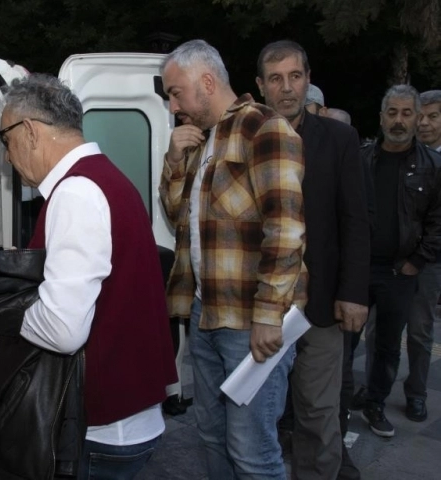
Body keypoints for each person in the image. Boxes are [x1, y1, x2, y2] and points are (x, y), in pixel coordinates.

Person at [0, 74, 177, 479]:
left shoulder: (75, 192)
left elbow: (62, 330)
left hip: (101, 429)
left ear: (28, 131)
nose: (6, 156)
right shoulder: (105, 178)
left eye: (4, 140)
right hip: (129, 417)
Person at [160, 39, 307, 479]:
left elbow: (286, 230)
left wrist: (268, 315)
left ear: (207, 82)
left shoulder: (265, 128)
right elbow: (175, 218)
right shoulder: (205, 142)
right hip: (206, 315)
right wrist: (173, 159)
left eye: (175, 92)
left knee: (252, 452)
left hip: (250, 322)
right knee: (211, 437)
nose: (173, 105)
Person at [255, 40, 370, 480]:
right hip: (262, 307)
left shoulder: (340, 139)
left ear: (307, 79)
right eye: (276, 79)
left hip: (320, 306)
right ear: (262, 86)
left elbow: (355, 221)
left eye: (295, 76)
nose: (287, 88)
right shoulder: (247, 136)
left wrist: (353, 294)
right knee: (257, 416)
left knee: (319, 416)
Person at [358, 84, 441, 437]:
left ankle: (376, 404)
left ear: (417, 118)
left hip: (400, 271)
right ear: (381, 117)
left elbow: (439, 221)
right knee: (345, 342)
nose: (399, 120)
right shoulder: (360, 158)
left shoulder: (433, 166)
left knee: (391, 344)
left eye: (407, 113)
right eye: (392, 113)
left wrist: (416, 262)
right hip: (357, 269)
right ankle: (342, 401)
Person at [400, 89, 441, 423]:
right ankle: (374, 387)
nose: (425, 123)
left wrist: (418, 259)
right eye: (421, 116)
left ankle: (416, 393)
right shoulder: (399, 154)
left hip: (427, 263)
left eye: (433, 116)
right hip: (390, 261)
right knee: (377, 329)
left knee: (419, 330)